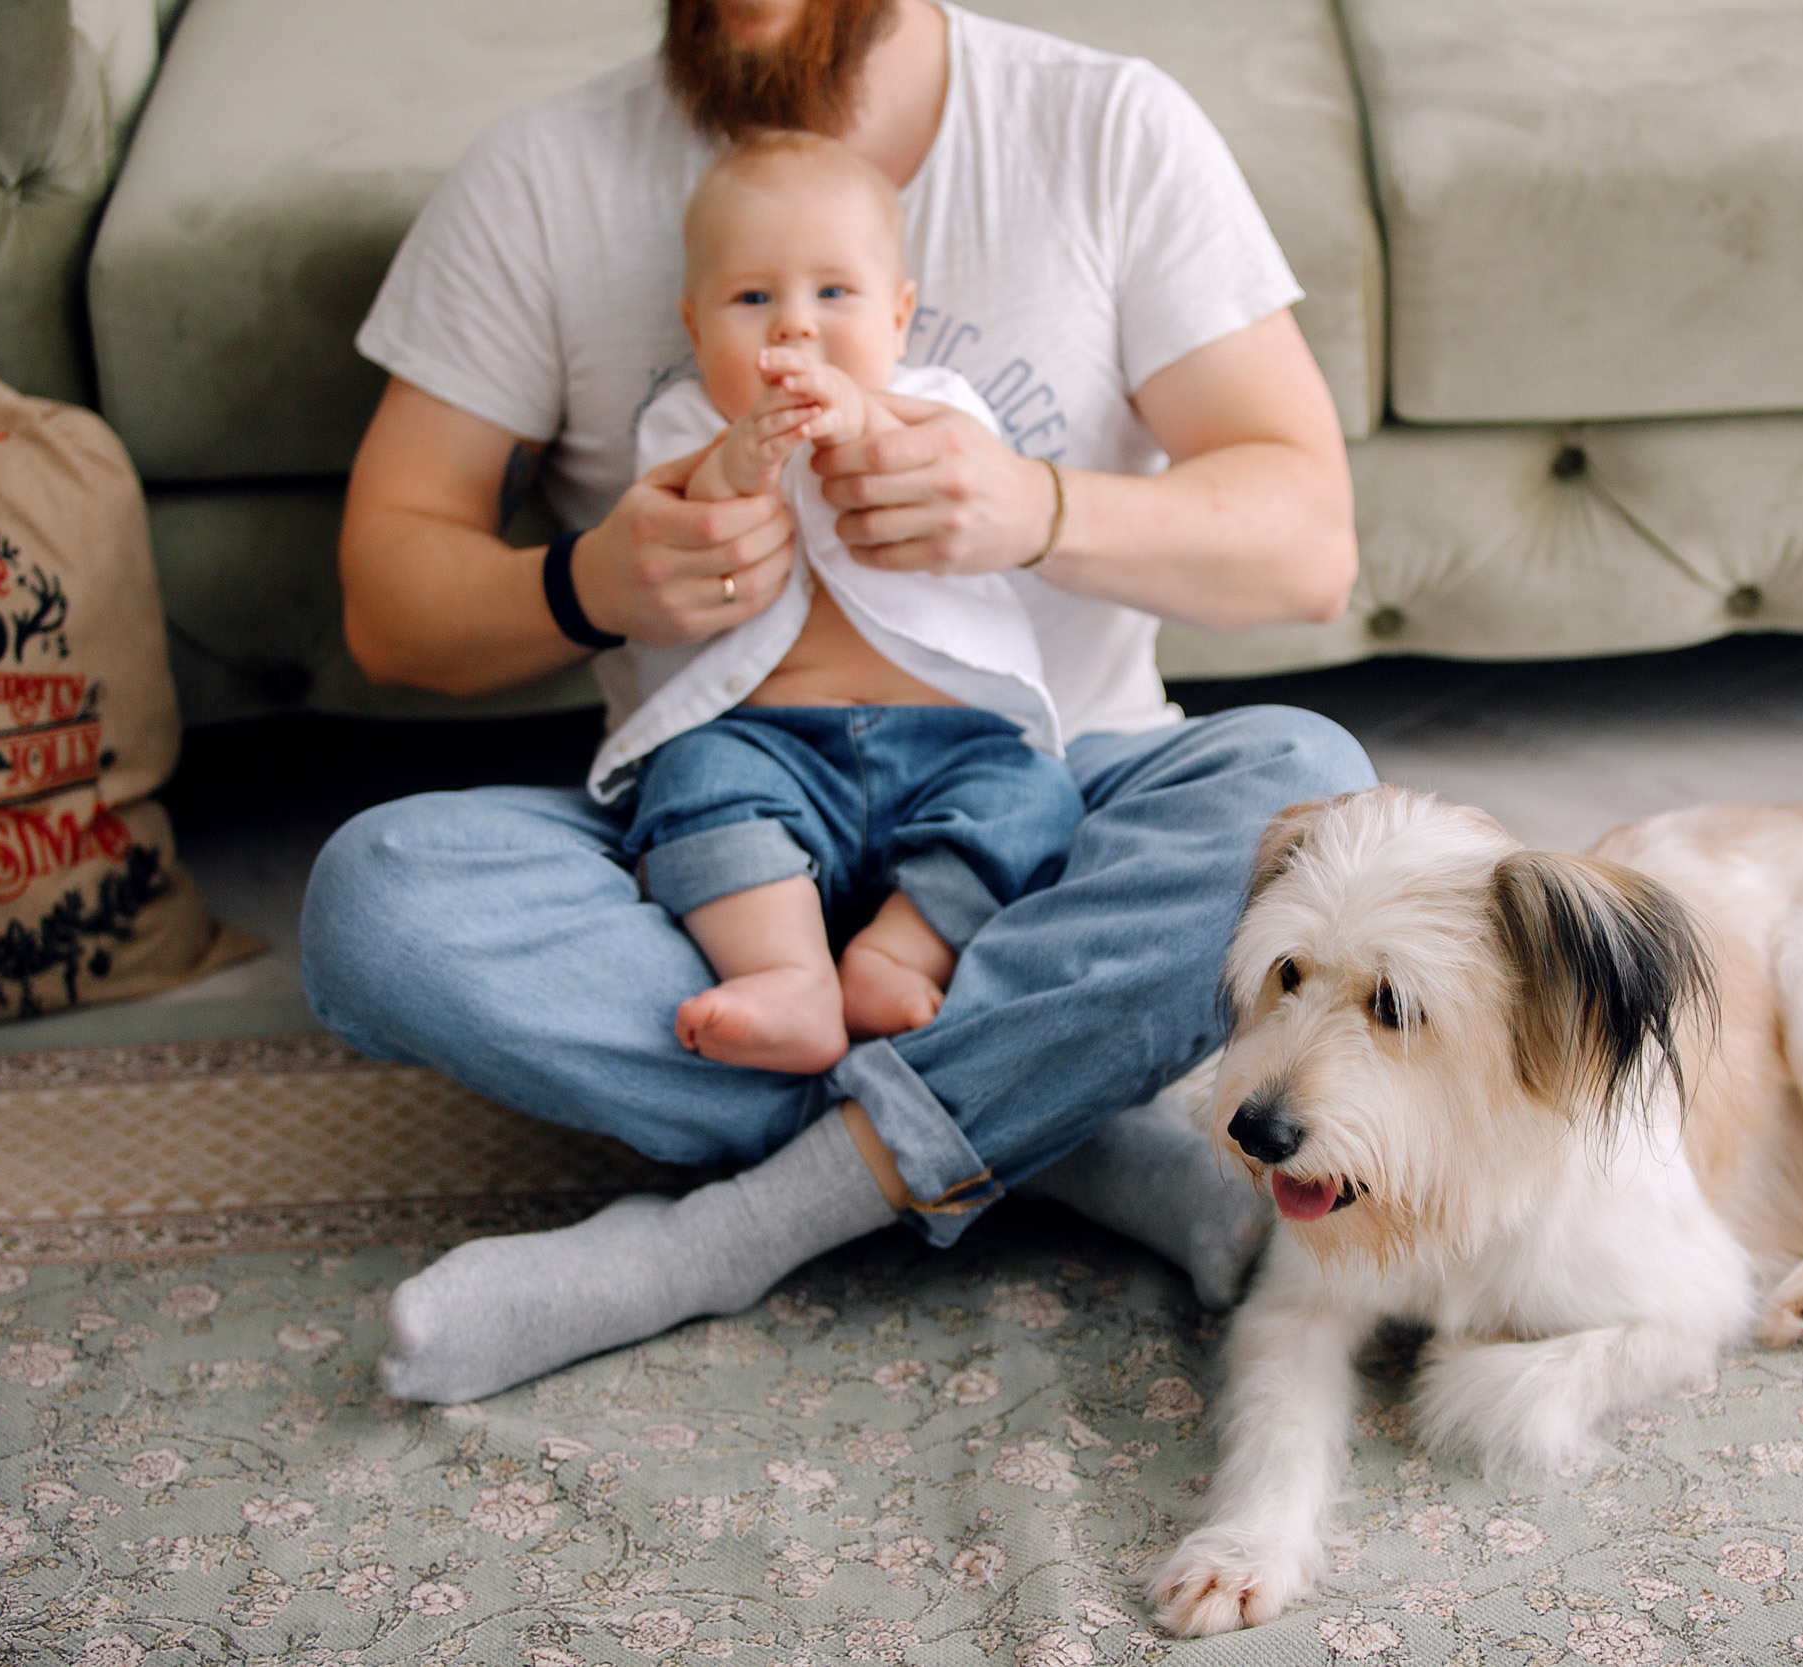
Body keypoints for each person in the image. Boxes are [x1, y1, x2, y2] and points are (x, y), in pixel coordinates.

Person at [301, 0, 1375, 1406]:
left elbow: (1309, 545)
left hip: (1045, 812)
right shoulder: (537, 178)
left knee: (1305, 785)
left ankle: (719, 1238)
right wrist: (591, 580)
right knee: (376, 897)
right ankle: (1053, 1119)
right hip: (720, 841)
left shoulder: (1106, 127)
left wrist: (1035, 506)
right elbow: (389, 597)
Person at [605, 131, 1084, 1074]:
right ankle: (787, 975)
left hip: (954, 741)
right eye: (753, 298)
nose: (794, 327)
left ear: (899, 316)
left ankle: (899, 950)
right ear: (695, 327)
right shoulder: (684, 423)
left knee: (1039, 804)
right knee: (692, 788)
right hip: (766, 742)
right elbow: (684, 520)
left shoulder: (938, 407)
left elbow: (948, 480)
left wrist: (861, 419)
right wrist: (738, 462)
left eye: (833, 294)